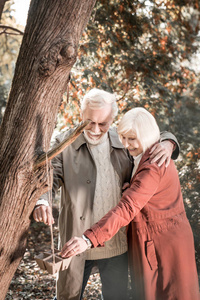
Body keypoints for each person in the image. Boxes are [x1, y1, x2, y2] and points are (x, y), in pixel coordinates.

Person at [33, 89, 179, 300]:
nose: (94, 129)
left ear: (113, 119)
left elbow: (151, 136)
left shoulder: (123, 140)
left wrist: (168, 142)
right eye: (89, 122)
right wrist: (42, 200)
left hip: (115, 243)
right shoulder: (64, 141)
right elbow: (49, 176)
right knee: (67, 296)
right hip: (75, 243)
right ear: (81, 115)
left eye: (103, 124)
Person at [61, 107, 199, 300]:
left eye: (131, 138)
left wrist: (88, 239)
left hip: (162, 244)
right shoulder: (145, 151)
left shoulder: (153, 166)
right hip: (153, 238)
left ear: (146, 134)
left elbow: (127, 208)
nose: (125, 144)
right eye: (123, 137)